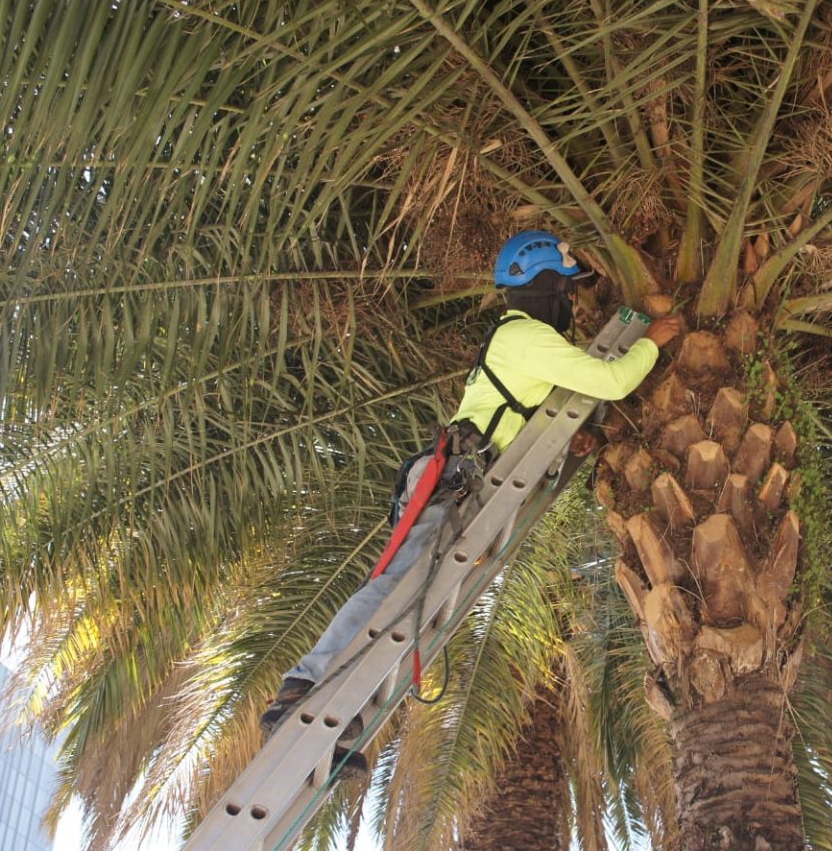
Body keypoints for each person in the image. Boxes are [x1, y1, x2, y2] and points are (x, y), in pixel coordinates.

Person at [259, 230, 683, 774]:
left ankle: (336, 722)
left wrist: (578, 440)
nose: (571, 301)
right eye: (567, 289)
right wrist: (654, 340)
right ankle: (303, 686)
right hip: (451, 481)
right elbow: (614, 380)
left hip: (462, 480)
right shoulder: (524, 335)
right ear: (548, 285)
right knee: (394, 588)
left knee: (414, 602)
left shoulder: (525, 343)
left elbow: (530, 418)